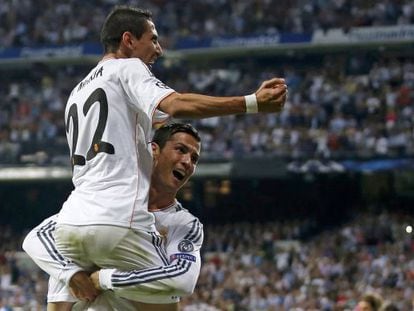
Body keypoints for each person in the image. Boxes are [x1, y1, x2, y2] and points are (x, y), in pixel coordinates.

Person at [53, 4, 287, 306]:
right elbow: (177, 104)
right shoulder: (128, 67)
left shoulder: (77, 92)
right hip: (116, 219)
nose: (159, 49)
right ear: (128, 40)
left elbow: (161, 118)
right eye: (153, 39)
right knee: (170, 294)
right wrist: (252, 103)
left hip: (71, 221)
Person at [23, 123, 204, 311]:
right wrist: (72, 274)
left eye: (194, 158)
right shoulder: (110, 201)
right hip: (85, 301)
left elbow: (183, 280)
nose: (187, 162)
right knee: (68, 250)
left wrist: (106, 278)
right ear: (153, 150)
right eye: (180, 150)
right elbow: (37, 236)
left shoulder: (184, 223)